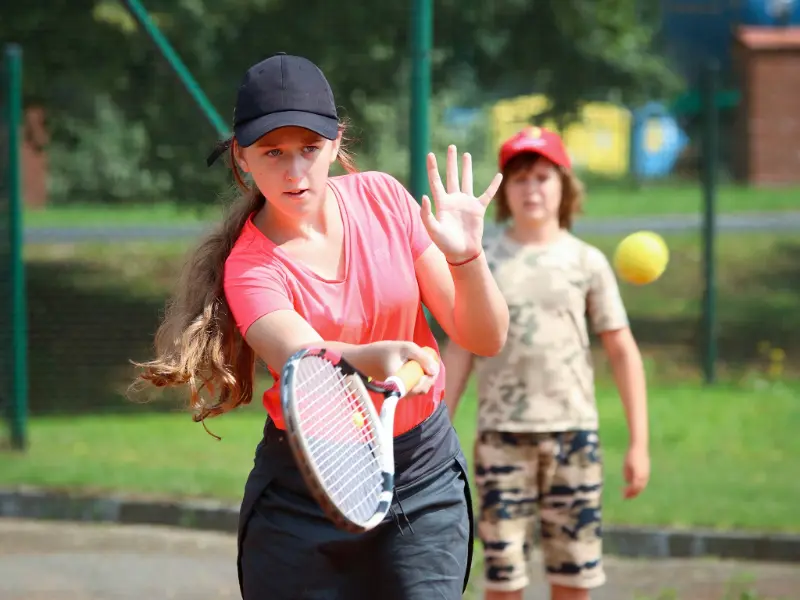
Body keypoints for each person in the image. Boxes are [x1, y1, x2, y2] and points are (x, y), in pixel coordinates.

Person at [132, 52, 510, 600]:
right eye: (273, 152)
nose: (293, 171)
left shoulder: (385, 199)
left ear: (336, 142)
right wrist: (370, 358)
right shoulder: (249, 266)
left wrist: (468, 259)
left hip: (422, 479)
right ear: (242, 156)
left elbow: (485, 337)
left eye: (309, 149)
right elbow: (301, 356)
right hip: (303, 495)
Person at [442, 126, 651, 600]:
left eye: (542, 177)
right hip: (501, 439)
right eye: (519, 179)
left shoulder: (587, 261)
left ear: (565, 186)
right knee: (504, 580)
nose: (531, 189)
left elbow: (622, 351)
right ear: (503, 191)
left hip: (573, 436)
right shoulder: (482, 258)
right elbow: (460, 349)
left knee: (574, 579)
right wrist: (442, 428)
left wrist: (639, 443)